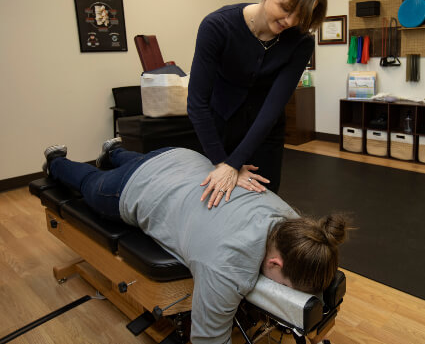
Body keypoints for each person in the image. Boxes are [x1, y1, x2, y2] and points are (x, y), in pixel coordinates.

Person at [43, 138, 348, 344]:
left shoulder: (293, 221)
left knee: (135, 158)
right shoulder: (226, 266)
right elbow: (207, 340)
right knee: (89, 183)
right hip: (132, 188)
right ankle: (55, 161)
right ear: (274, 263)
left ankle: (114, 151)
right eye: (286, 288)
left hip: (180, 158)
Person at [187, 0, 328, 208]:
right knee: (216, 203)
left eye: (302, 15)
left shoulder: (301, 41)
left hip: (265, 135)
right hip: (218, 132)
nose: (291, 21)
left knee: (263, 204)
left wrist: (235, 163)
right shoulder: (217, 27)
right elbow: (197, 103)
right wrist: (224, 162)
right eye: (286, 8)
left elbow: (273, 108)